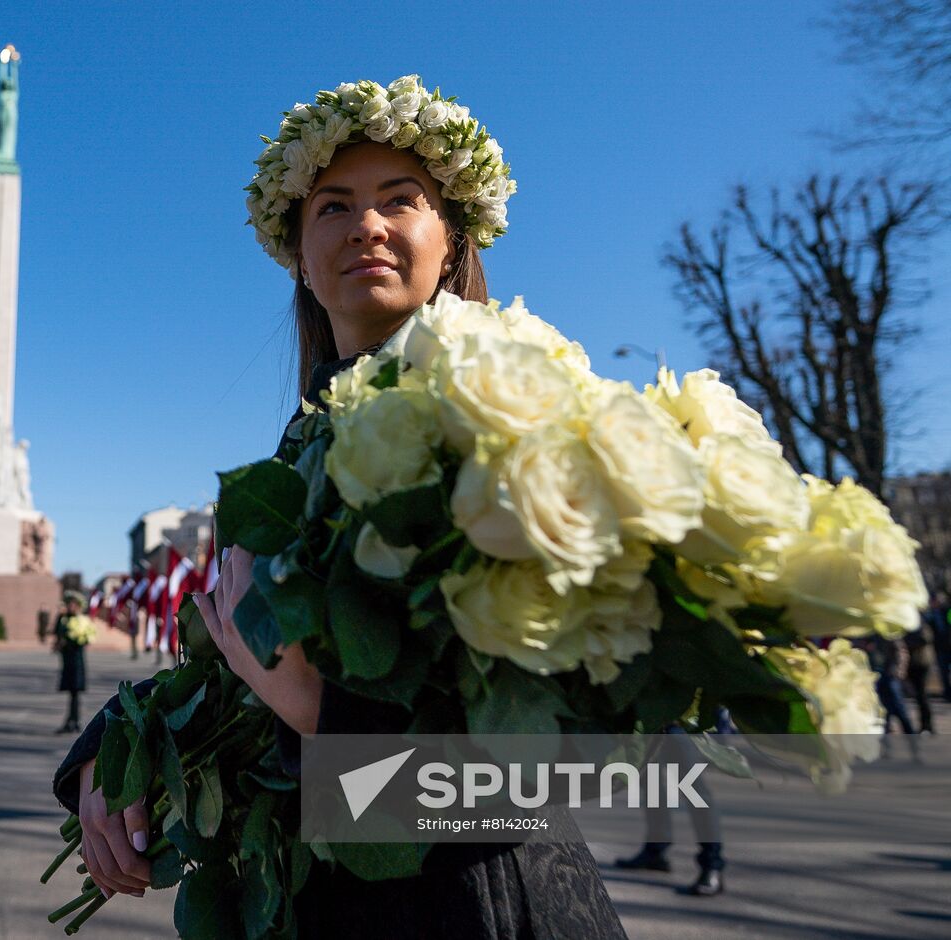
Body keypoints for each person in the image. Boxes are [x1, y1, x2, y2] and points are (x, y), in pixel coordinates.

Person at [52, 76, 626, 937]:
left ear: (452, 237)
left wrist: (327, 718)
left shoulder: (524, 409)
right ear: (301, 258)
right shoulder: (300, 438)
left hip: (477, 906)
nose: (367, 224)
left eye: (401, 200)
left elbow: (587, 740)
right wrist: (117, 750)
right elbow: (243, 667)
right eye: (333, 207)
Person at [615, 724, 725, 896]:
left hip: (680, 724)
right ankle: (655, 851)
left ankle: (712, 866)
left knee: (693, 790)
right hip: (648, 725)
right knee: (651, 785)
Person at [52, 592, 88, 734]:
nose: (70, 607)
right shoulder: (64, 619)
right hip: (67, 660)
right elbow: (56, 631)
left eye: (73, 604)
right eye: (69, 604)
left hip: (76, 660)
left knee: (75, 692)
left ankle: (73, 721)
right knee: (72, 693)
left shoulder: (81, 620)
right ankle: (72, 720)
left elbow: (84, 638)